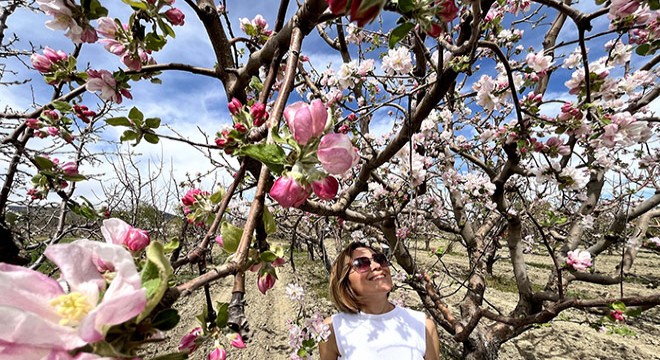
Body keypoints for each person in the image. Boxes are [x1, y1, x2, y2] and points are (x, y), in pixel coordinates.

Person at [319, 241, 441, 360]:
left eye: (380, 259)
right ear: (346, 281)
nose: (376, 266)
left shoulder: (423, 325)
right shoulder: (332, 329)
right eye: (362, 263)